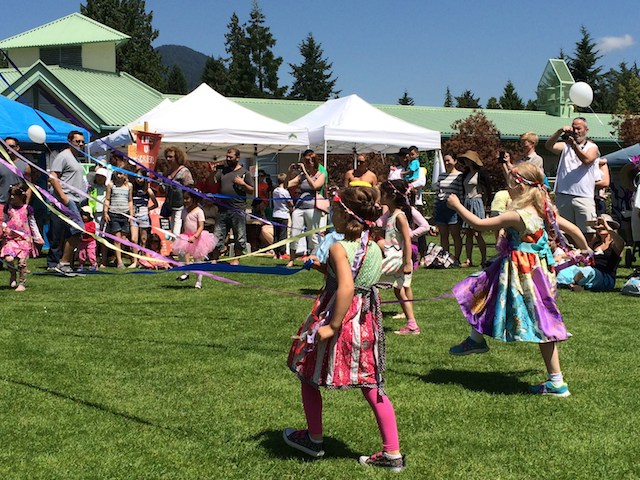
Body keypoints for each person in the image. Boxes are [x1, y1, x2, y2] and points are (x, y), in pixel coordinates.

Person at [285, 186, 405, 472]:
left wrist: (331, 326)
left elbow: (347, 286)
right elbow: (354, 275)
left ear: (344, 215)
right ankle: (393, 453)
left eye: (335, 211)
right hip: (365, 322)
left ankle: (314, 439)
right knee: (371, 383)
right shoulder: (374, 246)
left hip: (340, 316)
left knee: (308, 372)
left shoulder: (339, 247)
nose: (332, 216)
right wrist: (319, 267)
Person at [446, 163, 591, 397]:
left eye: (509, 183)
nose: (507, 188)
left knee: (543, 324)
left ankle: (557, 382)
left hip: (523, 274)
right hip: (537, 272)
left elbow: (479, 225)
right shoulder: (545, 209)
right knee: (482, 291)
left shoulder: (517, 215)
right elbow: (574, 229)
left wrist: (457, 205)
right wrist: (585, 250)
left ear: (519, 186)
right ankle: (476, 338)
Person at [545, 117, 600, 242]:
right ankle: (570, 257)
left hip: (583, 196)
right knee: (565, 231)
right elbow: (549, 146)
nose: (576, 131)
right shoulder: (565, 146)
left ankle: (588, 257)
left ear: (586, 130)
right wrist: (559, 131)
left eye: (579, 128)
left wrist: (574, 146)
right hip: (564, 195)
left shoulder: (592, 147)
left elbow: (586, 160)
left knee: (588, 231)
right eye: (573, 128)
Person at [378, 179, 420, 335]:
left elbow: (407, 241)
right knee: (399, 290)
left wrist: (408, 262)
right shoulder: (390, 214)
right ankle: (412, 325)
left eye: (382, 193)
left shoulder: (399, 216)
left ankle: (367, 316)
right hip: (393, 257)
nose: (380, 196)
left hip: (396, 259)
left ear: (391, 196)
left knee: (368, 280)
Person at [47, 131, 87, 274]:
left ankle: (65, 262)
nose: (80, 144)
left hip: (75, 200)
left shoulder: (76, 158)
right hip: (66, 199)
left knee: (72, 231)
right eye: (77, 141)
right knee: (77, 229)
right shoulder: (63, 156)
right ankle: (62, 262)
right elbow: (53, 177)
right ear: (70, 141)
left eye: (82, 142)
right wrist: (64, 197)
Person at [556, 214, 624, 292]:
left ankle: (572, 284)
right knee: (568, 269)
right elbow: (580, 251)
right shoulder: (595, 243)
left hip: (605, 278)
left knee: (587, 271)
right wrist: (561, 256)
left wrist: (606, 225)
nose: (600, 227)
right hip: (590, 272)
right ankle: (574, 284)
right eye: (598, 225)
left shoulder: (614, 245)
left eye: (603, 225)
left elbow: (621, 242)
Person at [211, 148, 254, 265]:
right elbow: (212, 182)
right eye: (227, 157)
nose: (228, 159)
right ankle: (215, 258)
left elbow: (251, 190)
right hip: (222, 209)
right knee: (218, 235)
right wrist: (212, 172)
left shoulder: (245, 173)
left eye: (231, 157)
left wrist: (242, 183)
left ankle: (236, 258)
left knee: (239, 235)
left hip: (237, 209)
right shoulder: (223, 171)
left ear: (238, 158)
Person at [286, 150, 326, 267]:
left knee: (313, 234)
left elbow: (315, 186)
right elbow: (286, 185)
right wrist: (289, 173)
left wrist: (305, 173)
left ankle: (312, 258)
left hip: (313, 208)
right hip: (299, 207)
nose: (308, 163)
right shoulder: (301, 176)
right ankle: (291, 259)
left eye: (309, 161)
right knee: (294, 233)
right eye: (306, 161)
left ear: (314, 162)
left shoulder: (320, 174)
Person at [1, 183, 43, 291]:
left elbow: (32, 224)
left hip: (24, 239)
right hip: (11, 238)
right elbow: (5, 220)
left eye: (14, 195)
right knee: (8, 258)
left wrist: (38, 236)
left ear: (21, 196)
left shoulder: (27, 209)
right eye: (11, 195)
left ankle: (22, 283)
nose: (12, 197)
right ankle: (12, 273)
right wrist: (4, 227)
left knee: (22, 262)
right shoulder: (8, 208)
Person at [173, 190, 216, 289]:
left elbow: (201, 226)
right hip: (186, 236)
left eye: (187, 198)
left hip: (198, 238)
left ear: (194, 199)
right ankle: (186, 271)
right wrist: (181, 235)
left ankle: (198, 282)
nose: (185, 201)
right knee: (181, 254)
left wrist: (195, 236)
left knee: (198, 260)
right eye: (184, 198)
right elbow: (184, 224)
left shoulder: (199, 211)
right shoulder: (184, 211)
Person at [459, 150, 490, 267]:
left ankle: (483, 259)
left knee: (477, 233)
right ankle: (468, 259)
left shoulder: (480, 174)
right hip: (467, 202)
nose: (466, 162)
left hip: (476, 202)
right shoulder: (466, 174)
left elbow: (487, 188)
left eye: (468, 159)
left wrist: (487, 205)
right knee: (468, 233)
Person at [434, 154, 464, 261]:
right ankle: (445, 257)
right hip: (441, 206)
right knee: (443, 234)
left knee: (455, 234)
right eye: (445, 161)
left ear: (455, 161)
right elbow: (437, 192)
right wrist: (435, 207)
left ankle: (456, 258)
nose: (447, 163)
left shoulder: (459, 176)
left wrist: (461, 208)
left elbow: (460, 192)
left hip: (453, 208)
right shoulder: (441, 176)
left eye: (449, 160)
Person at [128, 170, 158, 269]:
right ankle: (135, 261)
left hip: (144, 216)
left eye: (140, 177)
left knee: (144, 240)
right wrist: (131, 213)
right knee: (134, 239)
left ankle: (143, 260)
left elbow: (155, 204)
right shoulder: (132, 189)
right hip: (134, 216)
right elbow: (130, 201)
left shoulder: (148, 190)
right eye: (136, 177)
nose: (138, 179)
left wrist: (147, 209)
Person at [103, 170, 133, 269]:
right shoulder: (111, 185)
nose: (119, 176)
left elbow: (130, 200)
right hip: (114, 213)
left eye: (122, 173)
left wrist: (131, 215)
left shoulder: (129, 186)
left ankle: (117, 257)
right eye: (118, 174)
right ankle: (120, 262)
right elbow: (107, 199)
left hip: (125, 214)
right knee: (117, 239)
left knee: (124, 239)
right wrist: (105, 212)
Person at [161, 147, 194, 237]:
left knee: (177, 232)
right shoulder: (168, 172)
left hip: (181, 206)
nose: (168, 159)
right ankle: (175, 249)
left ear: (177, 157)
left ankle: (178, 250)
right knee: (172, 233)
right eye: (167, 157)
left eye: (171, 157)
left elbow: (190, 188)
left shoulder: (184, 171)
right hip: (170, 205)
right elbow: (164, 189)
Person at [1, 138, 33, 222]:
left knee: (17, 234)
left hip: (18, 208)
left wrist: (25, 205)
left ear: (17, 148)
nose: (8, 148)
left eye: (11, 146)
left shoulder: (25, 166)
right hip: (1, 205)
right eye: (6, 146)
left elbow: (29, 187)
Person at [272, 173, 293, 260]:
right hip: (283, 214)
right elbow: (290, 203)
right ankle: (282, 252)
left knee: (276, 234)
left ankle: (276, 253)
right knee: (283, 235)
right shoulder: (285, 192)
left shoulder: (275, 191)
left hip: (275, 213)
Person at [77, 206, 97, 271]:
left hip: (91, 242)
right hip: (82, 241)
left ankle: (93, 264)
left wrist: (85, 231)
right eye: (82, 215)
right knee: (81, 254)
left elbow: (92, 231)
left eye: (86, 215)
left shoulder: (92, 223)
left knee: (91, 253)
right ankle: (81, 265)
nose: (84, 217)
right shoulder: (80, 223)